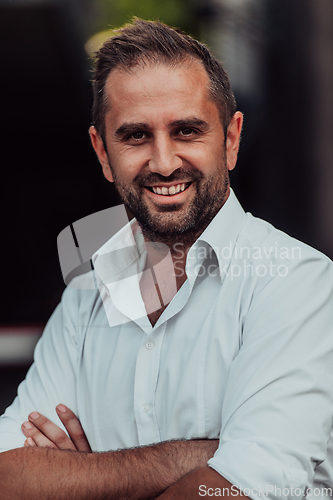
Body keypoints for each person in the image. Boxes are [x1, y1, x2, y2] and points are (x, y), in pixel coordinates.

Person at [0, 18, 333, 500]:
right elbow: (9, 475)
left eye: (187, 131)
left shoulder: (298, 285)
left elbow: (242, 489)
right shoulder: (85, 297)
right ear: (102, 151)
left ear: (231, 139)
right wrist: (198, 456)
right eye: (135, 136)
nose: (163, 162)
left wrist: (81, 478)